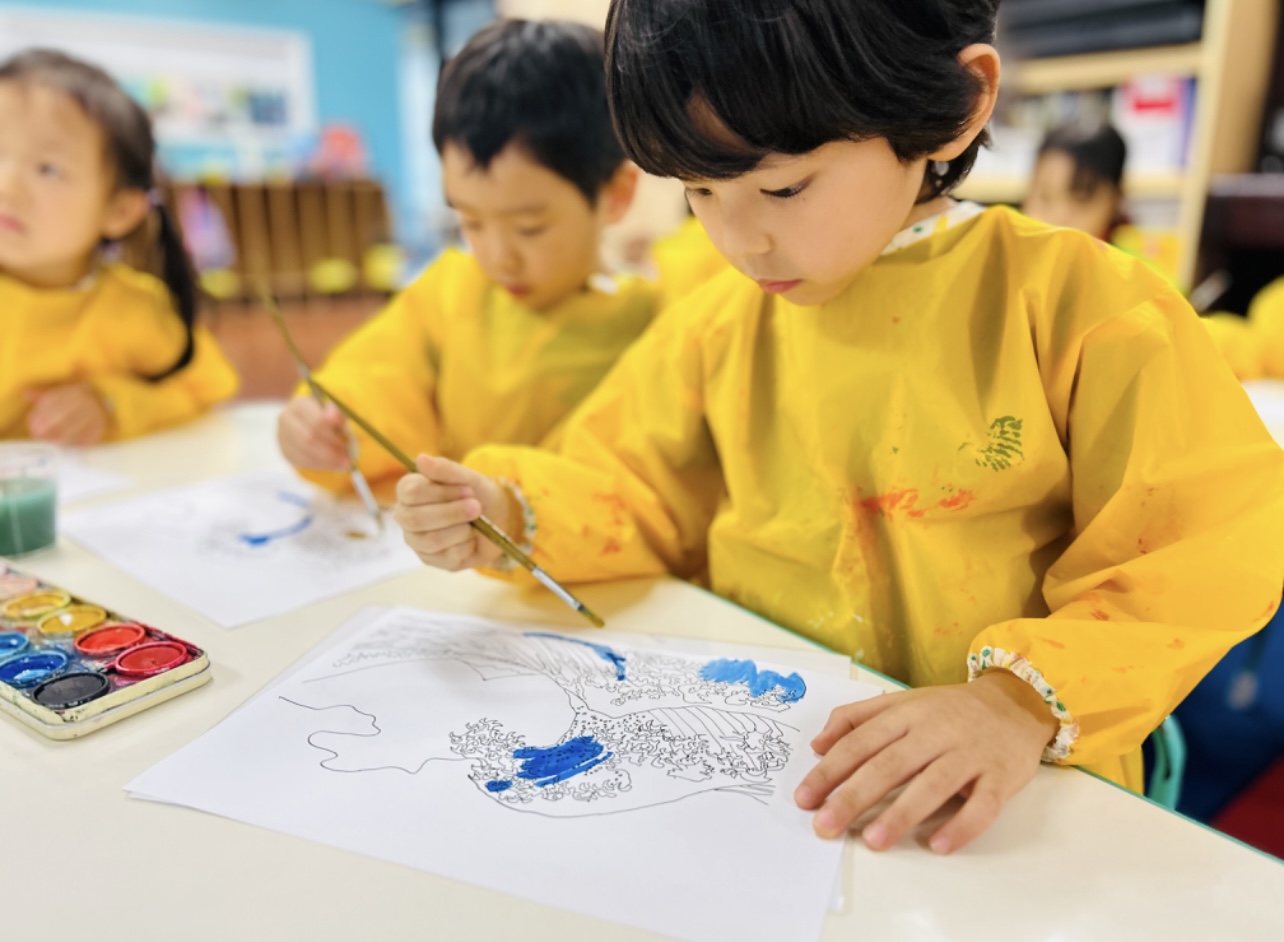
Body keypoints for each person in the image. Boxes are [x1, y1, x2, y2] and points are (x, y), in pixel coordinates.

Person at [393, 0, 1284, 854]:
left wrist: (1015, 704)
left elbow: (1204, 546)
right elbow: (629, 481)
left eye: (783, 187)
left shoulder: (1081, 309)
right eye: (700, 191)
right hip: (774, 779)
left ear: (959, 103)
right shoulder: (718, 325)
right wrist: (510, 510)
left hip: (1008, 799)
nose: (740, 241)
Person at [278, 19, 655, 491]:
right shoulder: (448, 292)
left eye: (529, 227)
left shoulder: (652, 323)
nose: (498, 257)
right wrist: (328, 424)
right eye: (470, 221)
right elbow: (377, 374)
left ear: (616, 194)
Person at [0, 49, 238, 444]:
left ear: (120, 210)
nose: (6, 186)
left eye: (48, 169)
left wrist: (110, 403)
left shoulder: (134, 310)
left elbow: (209, 386)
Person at [1023, 121, 1128, 242]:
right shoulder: (1010, 244)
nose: (1058, 218)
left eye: (1080, 199)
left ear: (1116, 200)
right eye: (1045, 197)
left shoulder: (1132, 251)